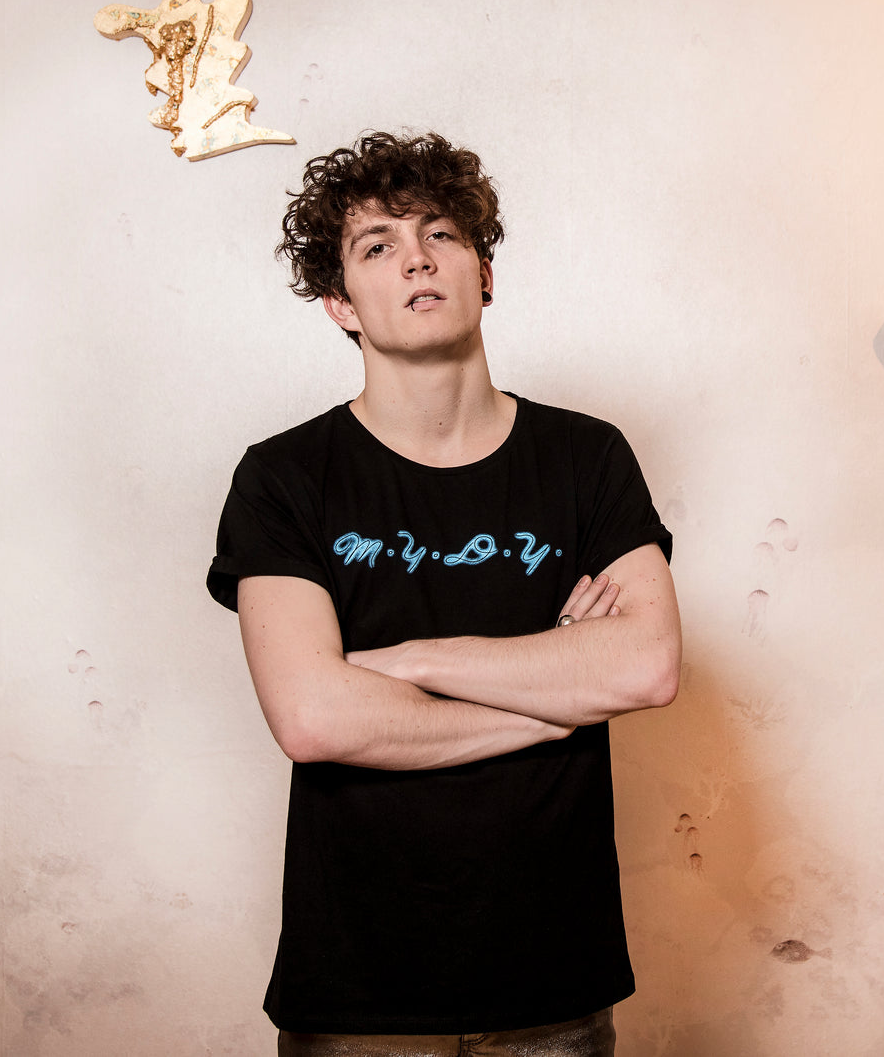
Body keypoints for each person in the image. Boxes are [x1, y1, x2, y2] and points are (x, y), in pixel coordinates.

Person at [206, 131, 682, 1056]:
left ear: (483, 274)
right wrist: (555, 700)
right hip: (357, 996)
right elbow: (314, 717)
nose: (416, 258)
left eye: (440, 235)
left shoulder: (585, 457)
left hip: (555, 980)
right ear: (341, 304)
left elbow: (646, 666)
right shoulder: (283, 477)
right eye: (376, 245)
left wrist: (412, 662)